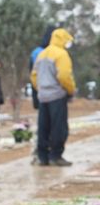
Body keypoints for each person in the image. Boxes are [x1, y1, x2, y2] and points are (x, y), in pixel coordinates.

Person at [31, 28, 76, 166]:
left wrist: (41, 89)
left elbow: (33, 75)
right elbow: (64, 76)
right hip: (57, 95)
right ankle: (56, 156)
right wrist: (70, 89)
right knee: (59, 127)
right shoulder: (61, 54)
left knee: (43, 127)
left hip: (43, 96)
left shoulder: (42, 54)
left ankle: (42, 157)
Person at [29, 26, 57, 111]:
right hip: (52, 94)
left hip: (41, 92)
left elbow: (32, 74)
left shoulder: (35, 52)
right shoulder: (55, 53)